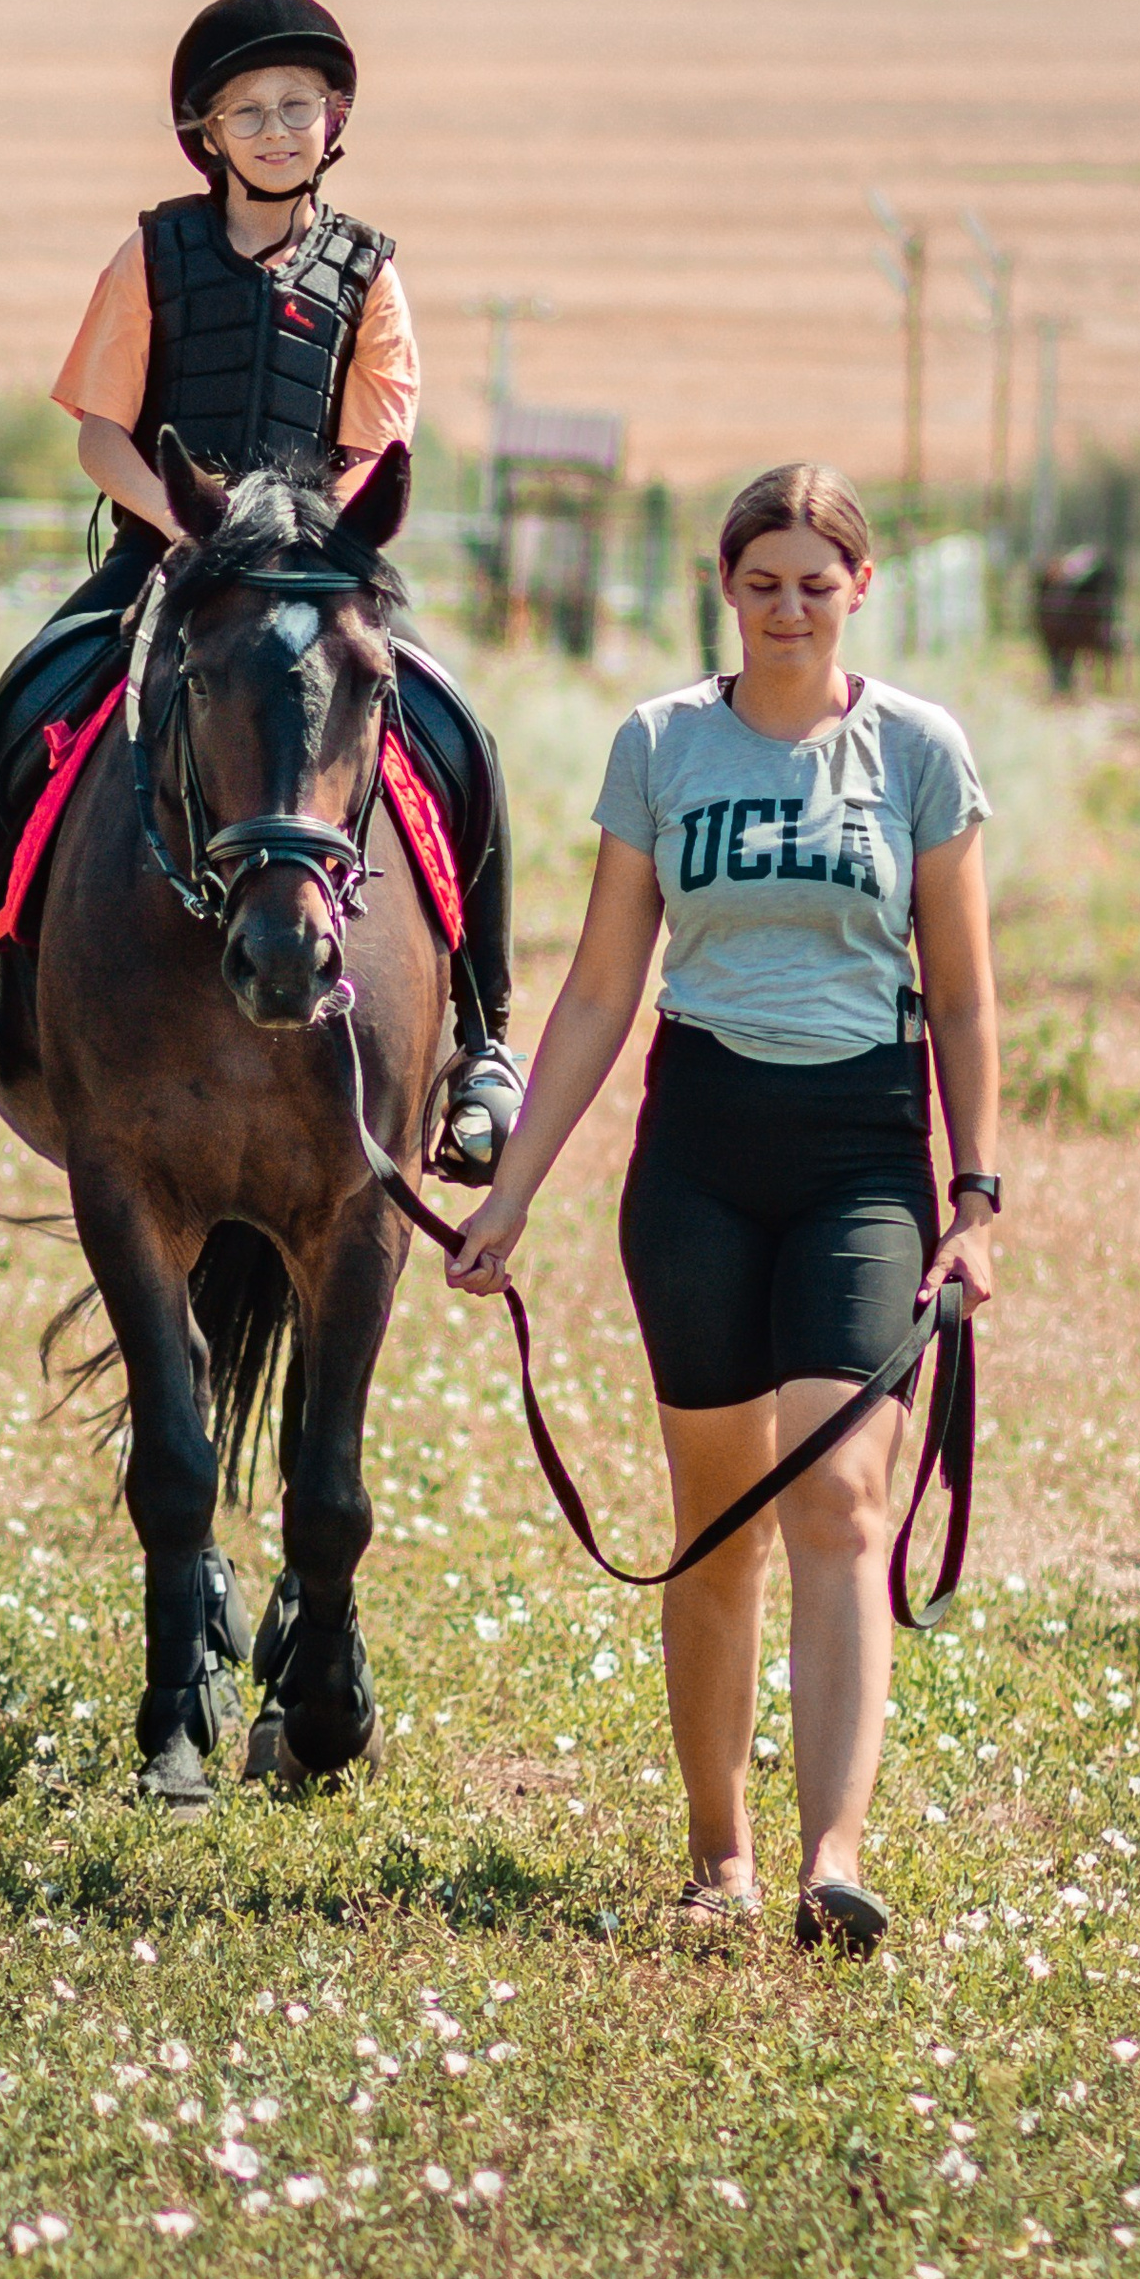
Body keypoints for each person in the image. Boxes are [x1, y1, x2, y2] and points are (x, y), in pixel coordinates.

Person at [447, 463, 1000, 1954]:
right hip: (695, 1151)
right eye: (764, 583)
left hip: (864, 1156)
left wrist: (977, 1199)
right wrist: (511, 1195)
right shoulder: (661, 745)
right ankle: (720, 1855)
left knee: (839, 1498)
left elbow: (960, 992)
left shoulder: (919, 753)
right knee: (718, 1524)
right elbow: (601, 988)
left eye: (818, 583)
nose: (790, 608)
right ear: (727, 586)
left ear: (861, 592)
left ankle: (833, 1863)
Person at [0, 0, 523, 1169]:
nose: (272, 129)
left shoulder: (371, 274)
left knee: (458, 743)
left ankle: (482, 1035)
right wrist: (190, 531)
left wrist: (303, 541)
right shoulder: (150, 255)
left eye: (295, 107)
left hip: (313, 576)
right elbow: (102, 434)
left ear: (335, 117)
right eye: (246, 110)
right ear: (204, 133)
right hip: (168, 557)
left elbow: (373, 446)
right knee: (4, 718)